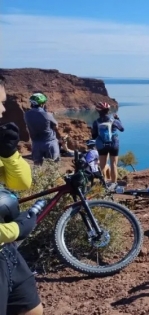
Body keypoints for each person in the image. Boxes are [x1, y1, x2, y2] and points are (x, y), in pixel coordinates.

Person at [0, 78, 44, 315]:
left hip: (6, 252)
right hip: (6, 238)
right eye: (0, 102)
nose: (4, 109)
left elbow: (22, 183)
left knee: (32, 309)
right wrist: (15, 231)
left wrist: (9, 154)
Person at [91, 102, 124, 187]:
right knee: (113, 164)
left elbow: (94, 136)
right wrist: (118, 118)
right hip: (114, 144)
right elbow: (122, 129)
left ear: (98, 112)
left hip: (102, 145)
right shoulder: (113, 120)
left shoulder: (96, 122)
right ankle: (114, 183)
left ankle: (103, 184)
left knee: (102, 165)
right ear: (108, 111)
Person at [23, 93, 62, 165]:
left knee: (37, 167)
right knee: (53, 166)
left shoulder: (26, 114)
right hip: (50, 143)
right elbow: (56, 126)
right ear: (42, 104)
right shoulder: (47, 114)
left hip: (36, 144)